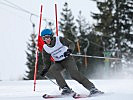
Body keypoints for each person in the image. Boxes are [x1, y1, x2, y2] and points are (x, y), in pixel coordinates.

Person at [39, 28, 103, 96]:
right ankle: (66, 89)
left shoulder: (59, 39)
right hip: (58, 63)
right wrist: (45, 69)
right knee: (53, 69)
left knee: (74, 74)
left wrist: (69, 51)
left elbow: (71, 44)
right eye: (44, 38)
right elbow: (47, 61)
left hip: (67, 60)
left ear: (51, 36)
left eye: (47, 37)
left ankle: (92, 88)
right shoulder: (45, 48)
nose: (46, 40)